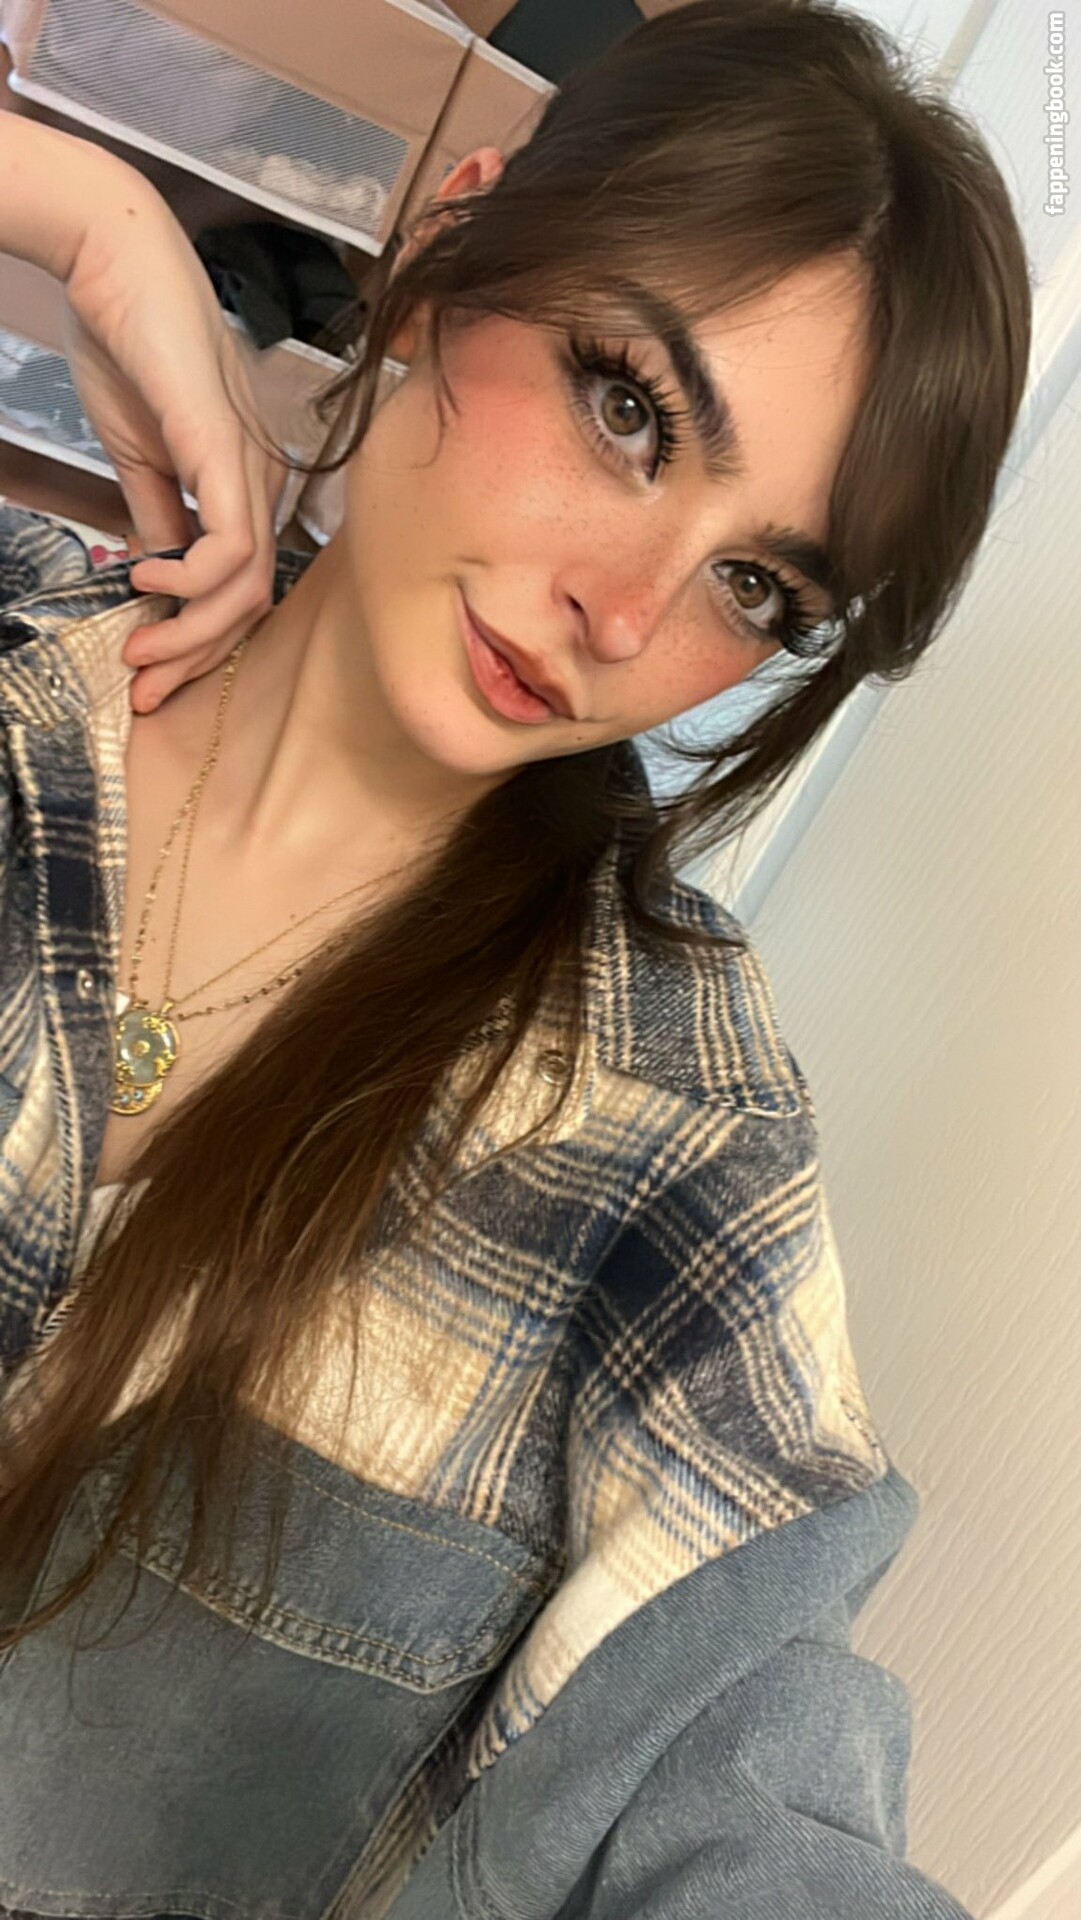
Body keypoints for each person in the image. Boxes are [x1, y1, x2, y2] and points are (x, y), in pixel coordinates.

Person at [0, 3, 1029, 1916]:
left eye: (756, 583)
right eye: (630, 409)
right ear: (447, 249)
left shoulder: (664, 1138)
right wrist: (82, 211)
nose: (623, 616)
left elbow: (741, 1748)